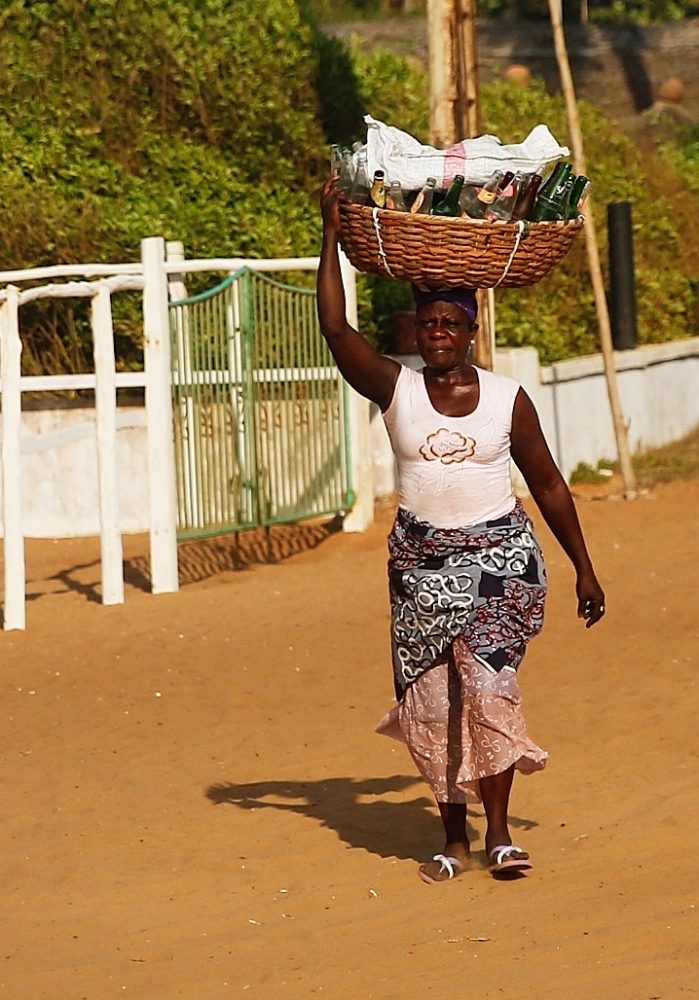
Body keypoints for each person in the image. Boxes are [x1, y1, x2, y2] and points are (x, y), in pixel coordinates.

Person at [316, 177, 605, 883]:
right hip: (419, 566)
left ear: (471, 330)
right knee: (434, 699)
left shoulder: (508, 398)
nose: (438, 335)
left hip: (500, 560)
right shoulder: (396, 388)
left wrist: (583, 567)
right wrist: (328, 232)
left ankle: (499, 835)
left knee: (490, 689)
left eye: (450, 324)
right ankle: (452, 839)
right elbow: (334, 329)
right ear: (414, 334)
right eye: (427, 326)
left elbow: (547, 486)